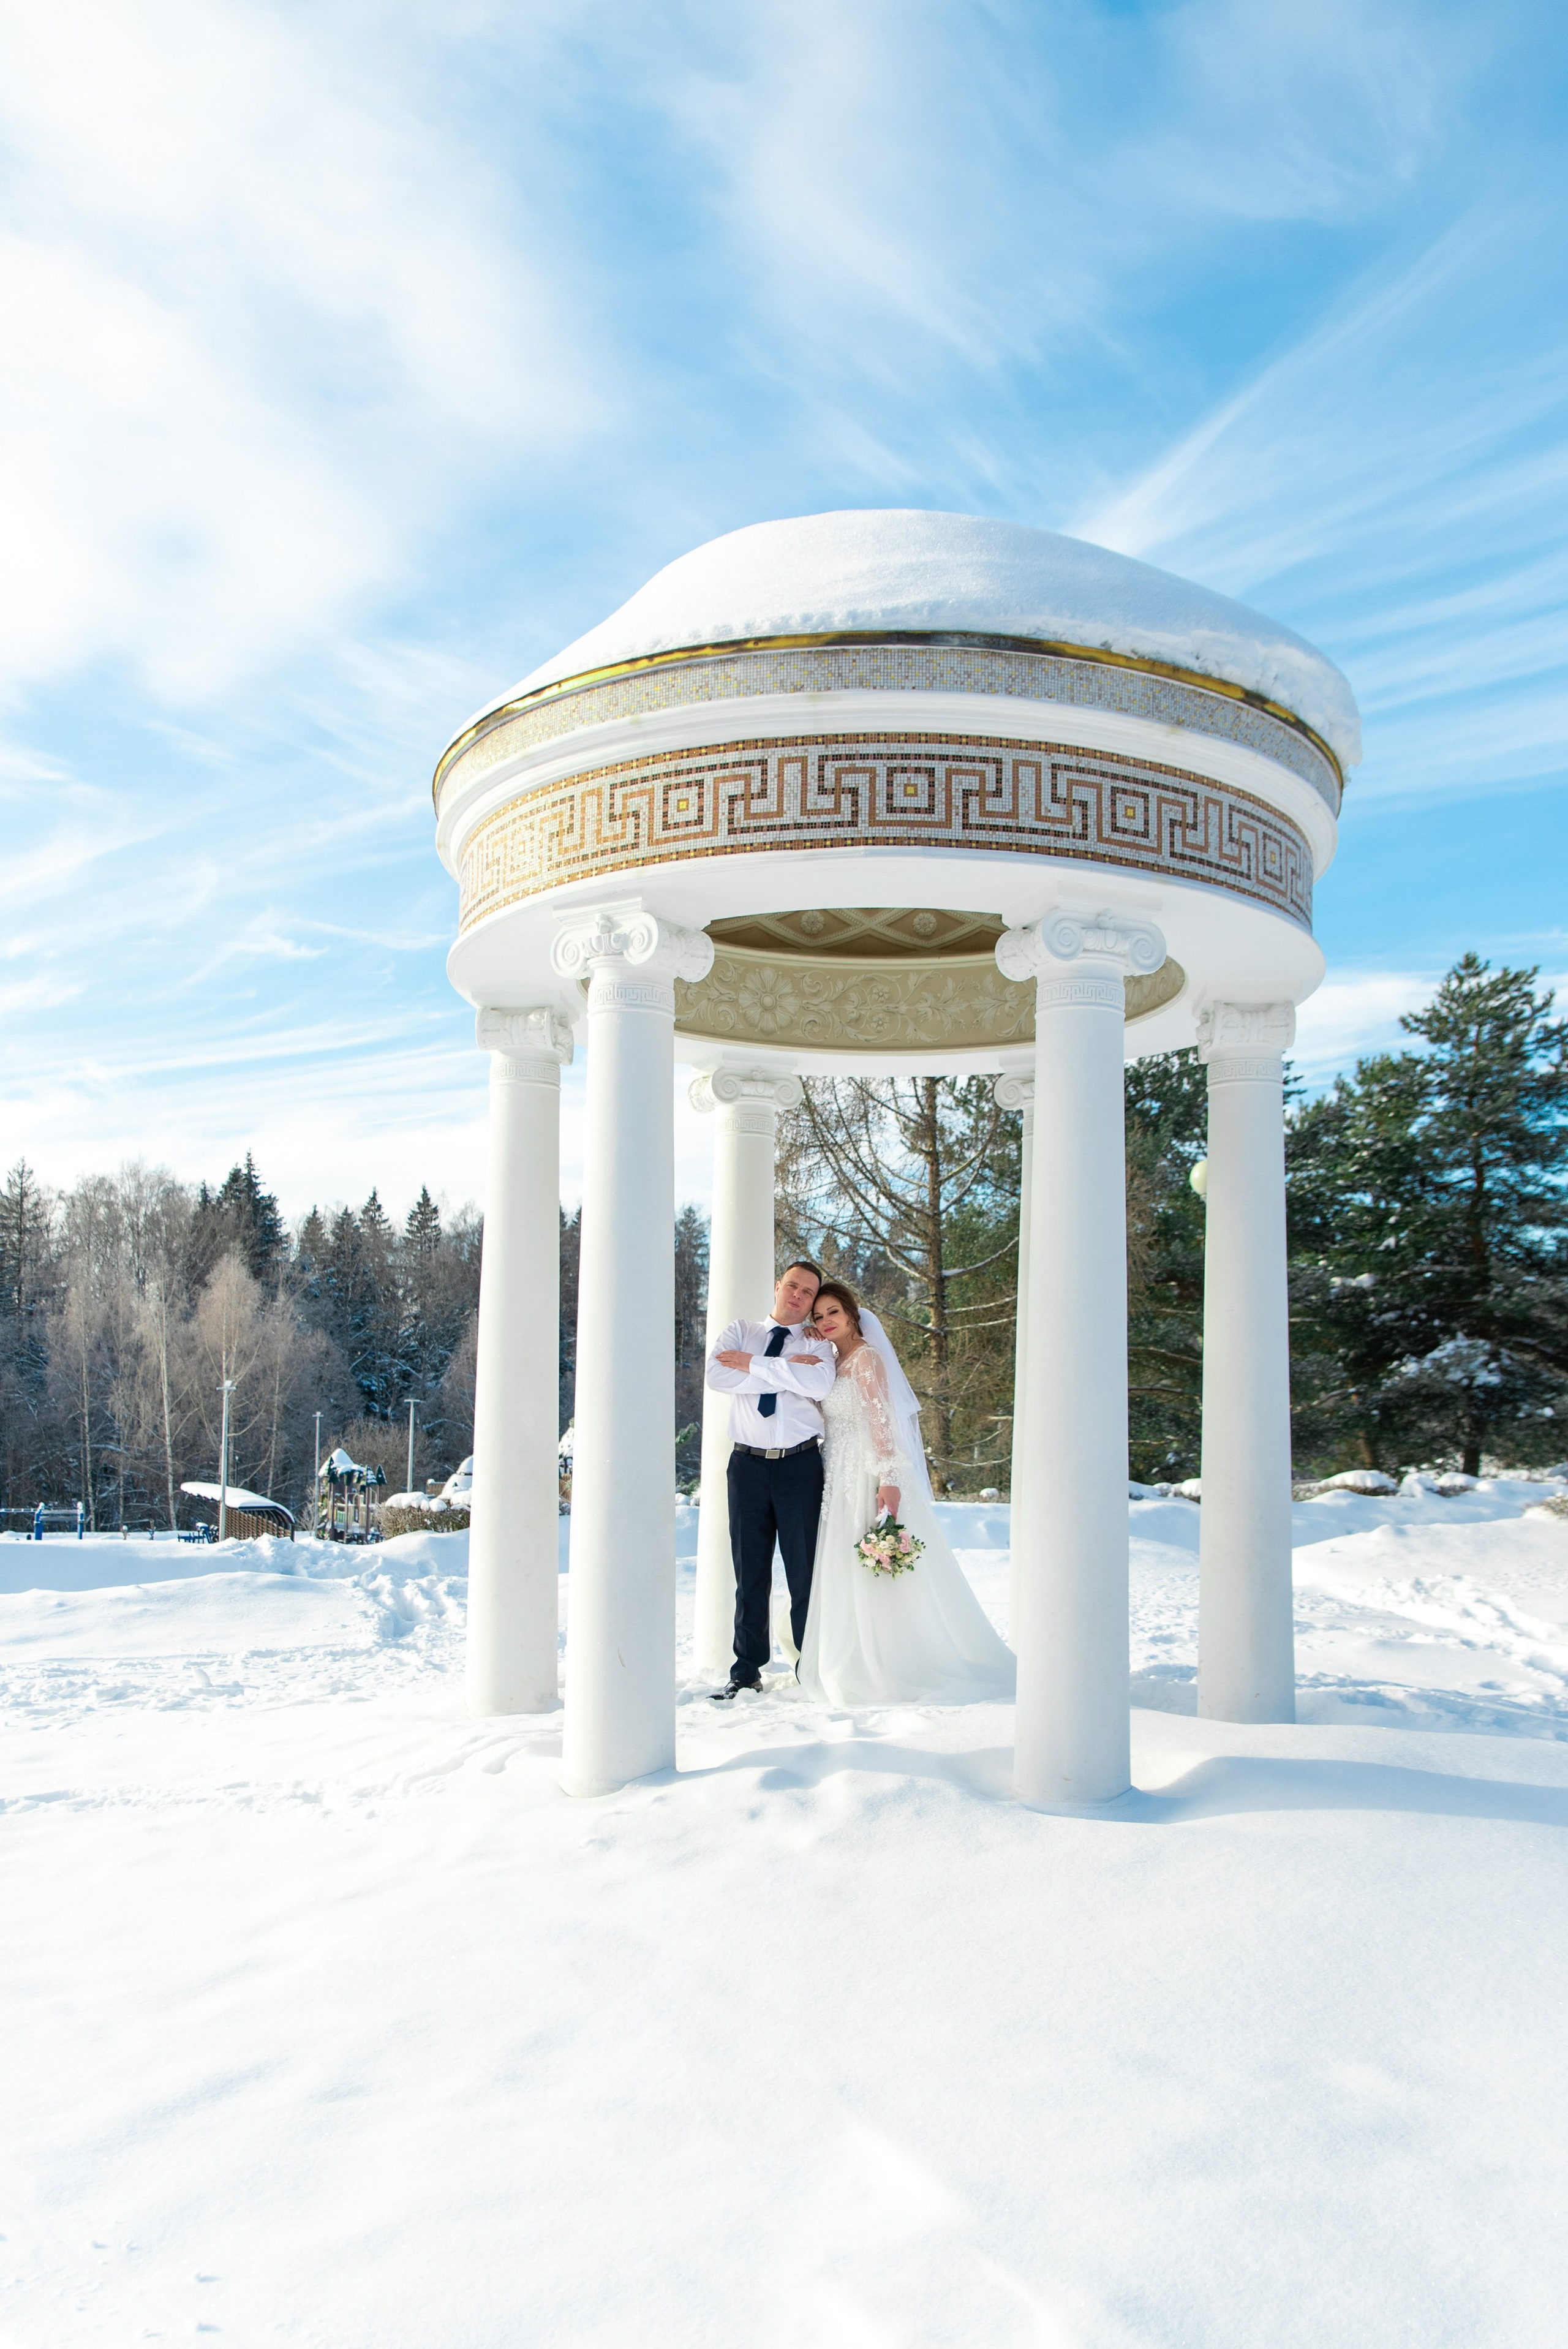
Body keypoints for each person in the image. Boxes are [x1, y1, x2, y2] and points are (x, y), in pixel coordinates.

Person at [794, 1281, 1016, 1706]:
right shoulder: (834, 1362)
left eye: (833, 1312)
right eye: (818, 1316)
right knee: (845, 1563)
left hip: (866, 1470)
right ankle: (852, 1652)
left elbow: (882, 1422)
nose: (826, 1321)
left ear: (852, 1314)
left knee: (876, 1565)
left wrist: (889, 1479)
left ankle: (889, 1661)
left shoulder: (867, 1358)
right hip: (837, 1471)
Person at [704, 1260, 837, 1700]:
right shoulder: (741, 1331)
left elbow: (819, 1386)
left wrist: (752, 1366)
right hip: (747, 1467)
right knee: (751, 1572)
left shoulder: (818, 1343)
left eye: (808, 1292)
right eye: (793, 1286)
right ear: (779, 1285)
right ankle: (746, 1671)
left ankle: (810, 1667)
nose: (798, 1295)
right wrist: (783, 1368)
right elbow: (717, 1375)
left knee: (804, 1572)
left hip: (801, 1466)